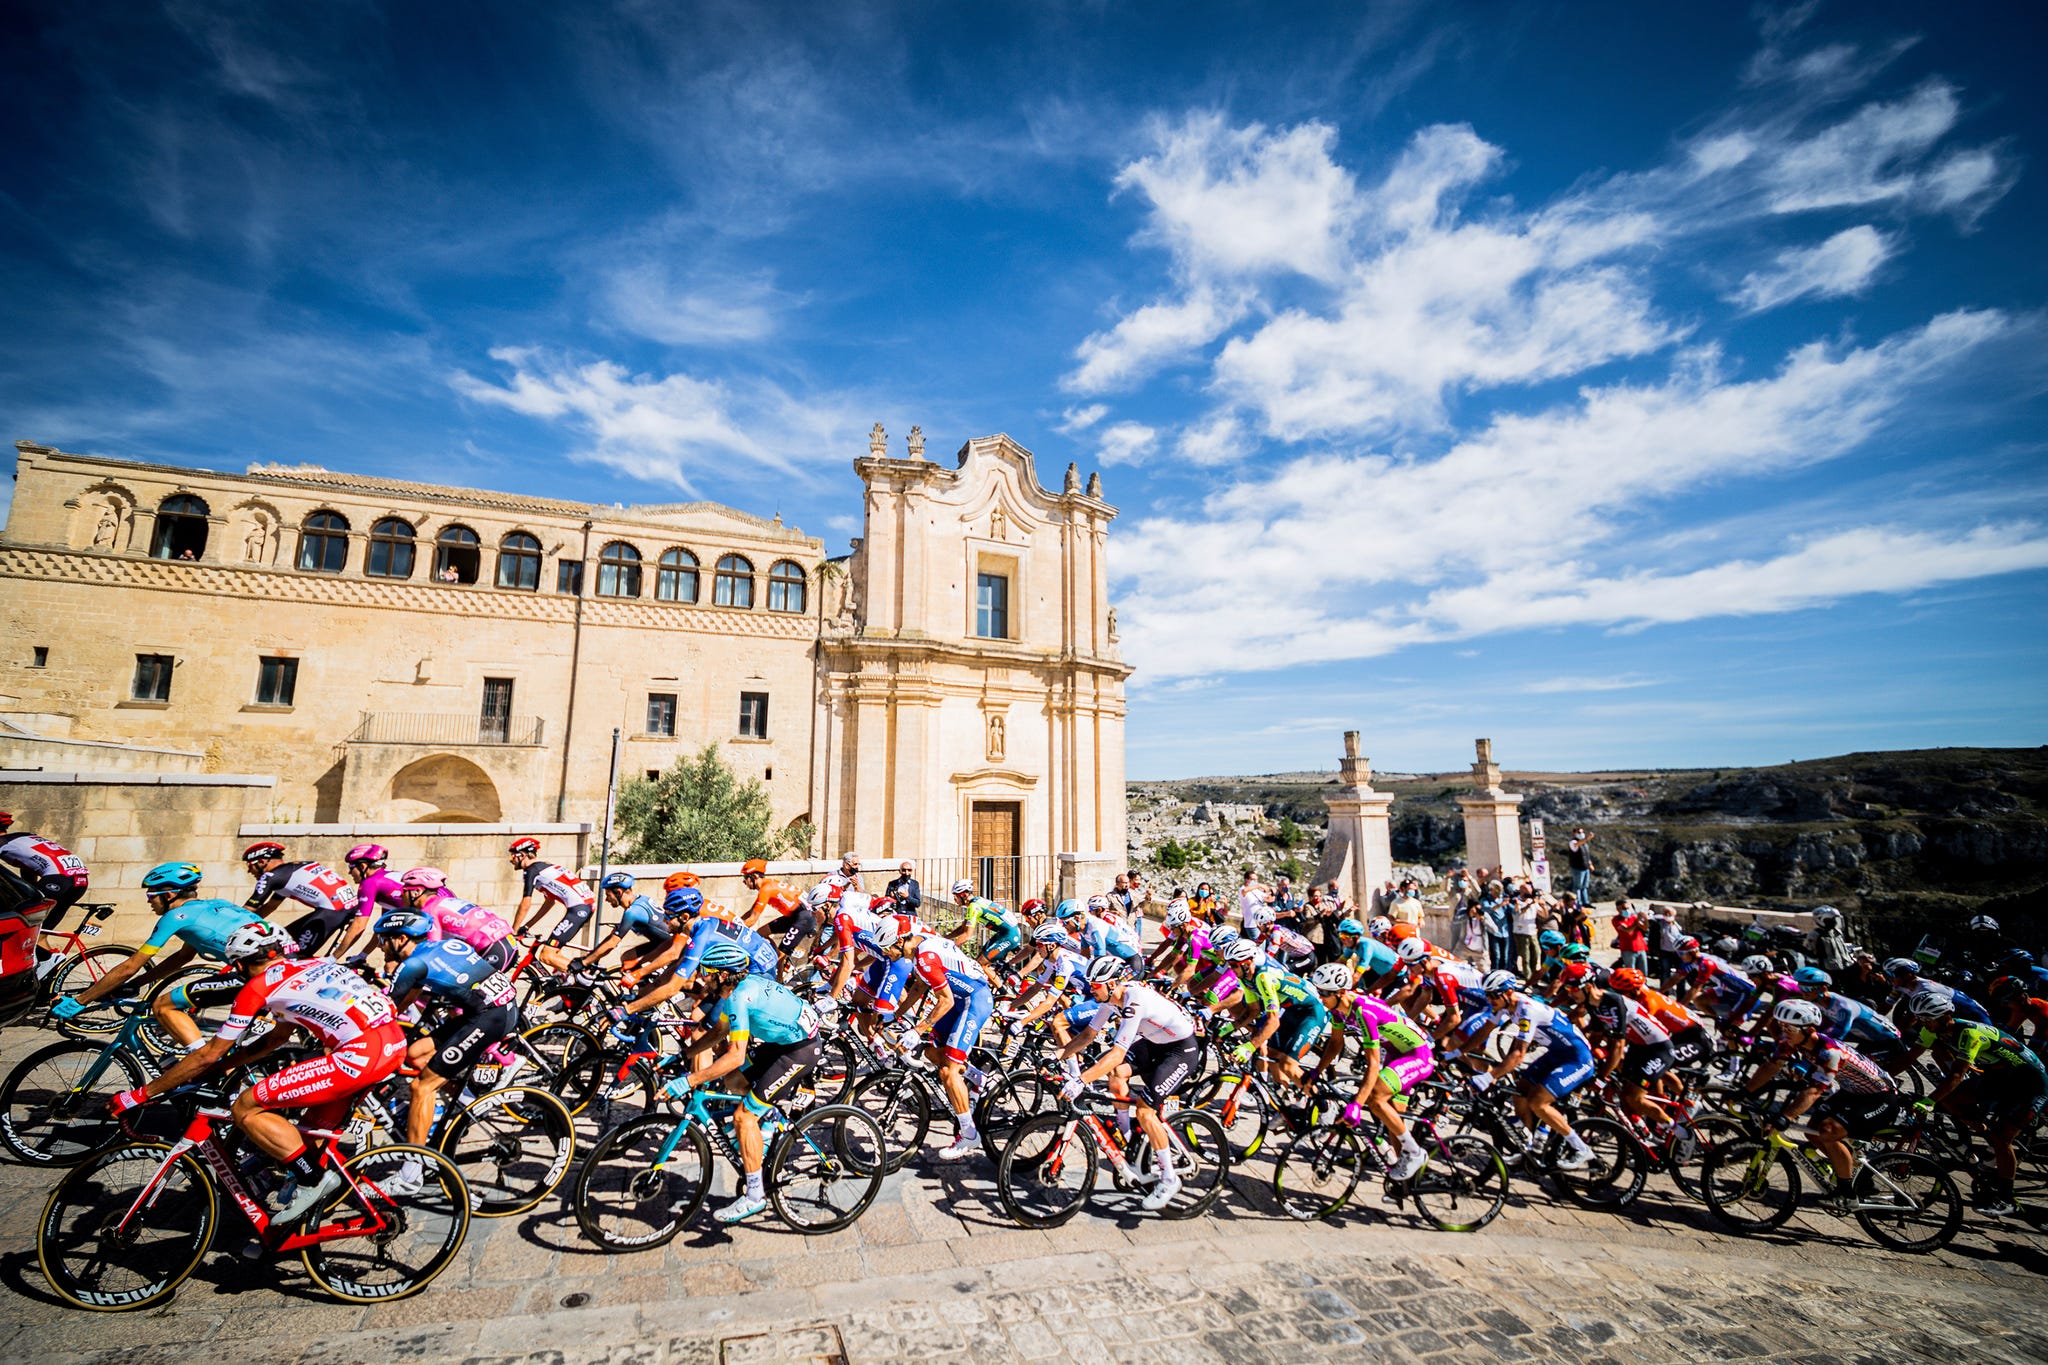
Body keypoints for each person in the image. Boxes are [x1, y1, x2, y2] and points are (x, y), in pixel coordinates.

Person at [111, 920, 406, 1225]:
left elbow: (209, 1052)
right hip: (392, 1043)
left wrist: (140, 1095)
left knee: (246, 1107)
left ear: (239, 963)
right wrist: (223, 1067)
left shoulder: (257, 988)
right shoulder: (312, 965)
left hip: (359, 1055)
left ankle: (313, 1181)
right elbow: (277, 1038)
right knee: (308, 1136)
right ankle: (293, 1228)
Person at [674, 940, 825, 1223]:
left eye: (706, 972)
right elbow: (720, 1030)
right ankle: (767, 1120)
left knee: (743, 1117)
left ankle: (755, 1195)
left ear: (722, 975)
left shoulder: (738, 997)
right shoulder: (737, 990)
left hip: (800, 1050)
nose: (701, 979)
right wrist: (688, 1053)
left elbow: (734, 1054)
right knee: (733, 1080)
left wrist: (690, 1080)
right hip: (786, 1042)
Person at [374, 908, 518, 1189]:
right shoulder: (438, 947)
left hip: (491, 1016)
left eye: (384, 940)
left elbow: (386, 1010)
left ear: (401, 939)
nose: (380, 947)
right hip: (493, 1008)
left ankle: (410, 1174)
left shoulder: (412, 965)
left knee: (421, 1088)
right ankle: (466, 1104)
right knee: (415, 1055)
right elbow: (400, 1006)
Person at [51, 860, 266, 1037]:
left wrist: (79, 1001)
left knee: (163, 1006)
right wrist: (136, 984)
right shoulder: (215, 904)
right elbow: (182, 957)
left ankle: (200, 1060)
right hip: (284, 964)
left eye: (150, 895)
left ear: (169, 895)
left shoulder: (175, 917)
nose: (149, 902)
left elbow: (130, 966)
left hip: (258, 975)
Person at [1055, 957, 1202, 1211]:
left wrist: (1080, 1080)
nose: (1091, 990)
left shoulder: (1134, 1000)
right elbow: (1089, 1035)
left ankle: (1169, 1179)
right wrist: (1058, 1055)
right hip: (1155, 1044)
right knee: (1116, 1076)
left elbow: (1116, 1054)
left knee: (1145, 1109)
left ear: (1112, 984)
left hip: (1180, 1050)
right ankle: (1126, 1138)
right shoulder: (1110, 1000)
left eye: (1095, 985)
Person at [1743, 998, 1901, 1214]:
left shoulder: (1830, 1051)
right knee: (1812, 1130)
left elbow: (1816, 1091)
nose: (1784, 1031)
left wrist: (1786, 1117)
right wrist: (1744, 1092)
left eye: (1788, 1027)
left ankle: (1847, 1195)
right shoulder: (1792, 1042)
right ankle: (1843, 1170)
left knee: (1828, 1130)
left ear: (1807, 1030)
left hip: (1881, 1098)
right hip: (1852, 1093)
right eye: (1781, 1025)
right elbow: (1771, 1066)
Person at [1906, 987, 2048, 1217]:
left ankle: (2006, 1199)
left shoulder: (1970, 1034)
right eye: (1920, 1019)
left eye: (1927, 1020)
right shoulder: (1935, 1031)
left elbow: (1956, 1076)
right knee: (1949, 1101)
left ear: (1944, 1017)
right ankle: (1982, 1130)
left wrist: (1928, 1101)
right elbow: (1908, 1058)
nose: (1923, 1024)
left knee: (2003, 1140)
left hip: (2031, 1085)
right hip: (2001, 1078)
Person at [876, 920, 993, 1161]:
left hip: (973, 1000)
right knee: (930, 1053)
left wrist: (917, 1030)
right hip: (958, 1000)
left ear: (899, 941)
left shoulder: (925, 958)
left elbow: (945, 1001)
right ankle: (978, 1078)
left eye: (888, 949)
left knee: (948, 1072)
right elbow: (919, 988)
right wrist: (895, 1017)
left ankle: (969, 1134)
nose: (887, 954)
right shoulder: (919, 948)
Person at [1458, 971, 1597, 1170]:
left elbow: (1518, 1053)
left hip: (1578, 1058)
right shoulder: (1505, 1006)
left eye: (1493, 995)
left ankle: (1581, 1148)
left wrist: (1490, 1076)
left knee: (1537, 1101)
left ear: (1509, 992)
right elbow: (1485, 1031)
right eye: (1487, 995)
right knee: (1519, 1091)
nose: (1489, 999)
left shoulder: (1527, 1009)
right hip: (1557, 1053)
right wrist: (1457, 1051)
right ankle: (1529, 1145)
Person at [1309, 961, 1433, 1179]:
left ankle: (1415, 1153)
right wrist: (1317, 1071)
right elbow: (1335, 1044)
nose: (1320, 997)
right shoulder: (1338, 1011)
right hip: (1396, 1053)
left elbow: (1373, 1063)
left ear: (1340, 992)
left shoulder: (1363, 1012)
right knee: (1394, 1119)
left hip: (1416, 1054)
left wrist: (1357, 1104)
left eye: (1324, 993)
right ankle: (1407, 1181)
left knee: (1375, 1098)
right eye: (1318, 991)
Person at [241, 841, 359, 957]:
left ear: (262, 862)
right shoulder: (292, 872)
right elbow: (270, 906)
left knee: (295, 955)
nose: (249, 871)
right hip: (346, 908)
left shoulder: (270, 876)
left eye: (250, 865)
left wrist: (234, 928)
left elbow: (248, 910)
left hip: (332, 911)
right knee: (282, 940)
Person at [0, 813, 91, 955]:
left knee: (17, 919)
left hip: (59, 879)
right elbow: (30, 870)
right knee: (40, 932)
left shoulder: (2, 843)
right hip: (79, 880)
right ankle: (49, 970)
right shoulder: (25, 837)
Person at [507, 837, 597, 970]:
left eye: (512, 855)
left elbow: (525, 903)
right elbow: (549, 902)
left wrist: (513, 931)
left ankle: (583, 980)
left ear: (523, 855)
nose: (510, 860)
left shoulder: (531, 871)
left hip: (579, 909)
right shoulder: (545, 867)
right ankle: (569, 986)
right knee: (555, 954)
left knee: (547, 956)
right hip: (584, 906)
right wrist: (526, 926)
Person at [401, 867, 515, 968]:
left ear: (416, 892)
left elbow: (433, 949)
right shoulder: (444, 901)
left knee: (452, 987)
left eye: (404, 891)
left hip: (492, 948)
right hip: (505, 942)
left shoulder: (429, 910)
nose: (401, 895)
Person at [576, 872, 675, 974]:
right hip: (662, 942)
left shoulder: (633, 912)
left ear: (618, 893)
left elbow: (612, 943)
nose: (606, 899)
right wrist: (593, 956)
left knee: (629, 959)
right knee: (628, 957)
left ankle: (647, 987)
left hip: (671, 945)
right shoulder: (640, 900)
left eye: (608, 895)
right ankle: (642, 985)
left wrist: (584, 962)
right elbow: (612, 936)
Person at [331, 843, 407, 962]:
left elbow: (358, 927)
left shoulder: (369, 883)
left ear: (362, 866)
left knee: (393, 961)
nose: (349, 873)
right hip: (443, 910)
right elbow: (383, 929)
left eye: (351, 867)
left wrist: (332, 958)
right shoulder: (386, 879)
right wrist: (362, 956)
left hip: (436, 918)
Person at [1611, 900, 1649, 976]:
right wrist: (1637, 921)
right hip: (1628, 949)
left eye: (1628, 908)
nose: (1627, 911)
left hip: (1640, 947)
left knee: (1643, 972)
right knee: (1631, 972)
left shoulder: (1633, 918)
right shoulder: (1616, 920)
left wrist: (1645, 919)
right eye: (1624, 908)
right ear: (1618, 909)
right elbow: (1627, 930)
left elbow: (1645, 928)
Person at [1566, 827, 1594, 907]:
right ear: (1575, 833)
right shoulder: (1573, 842)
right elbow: (1577, 844)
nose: (1581, 834)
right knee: (1577, 886)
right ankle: (1578, 903)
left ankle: (1586, 902)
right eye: (1579, 832)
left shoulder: (1584, 844)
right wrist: (1587, 838)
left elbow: (1586, 855)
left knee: (1585, 886)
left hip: (1585, 867)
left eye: (1582, 832)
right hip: (1577, 868)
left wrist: (1590, 864)